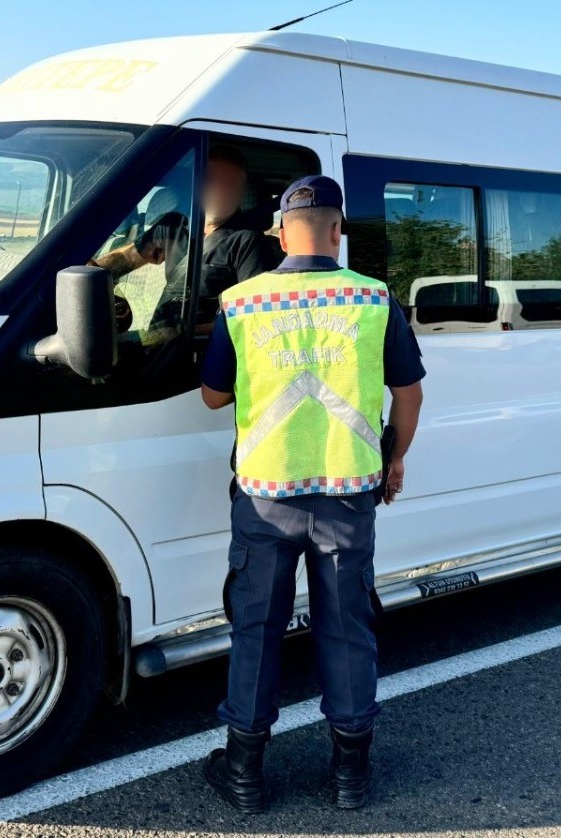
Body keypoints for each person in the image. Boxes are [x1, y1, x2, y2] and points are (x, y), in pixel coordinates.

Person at [197, 174, 425, 813]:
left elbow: (214, 395)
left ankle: (244, 773)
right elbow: (409, 394)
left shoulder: (241, 303)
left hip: (265, 497)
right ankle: (351, 774)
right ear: (336, 230)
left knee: (257, 628)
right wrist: (394, 455)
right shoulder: (374, 299)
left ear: (279, 234)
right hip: (349, 495)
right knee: (347, 628)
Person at [91, 144, 282, 336]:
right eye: (210, 179)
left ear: (241, 192)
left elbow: (253, 316)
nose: (219, 189)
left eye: (230, 182)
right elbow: (128, 258)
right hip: (158, 341)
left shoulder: (248, 242)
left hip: (197, 348)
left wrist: (186, 332)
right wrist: (91, 270)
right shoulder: (174, 224)